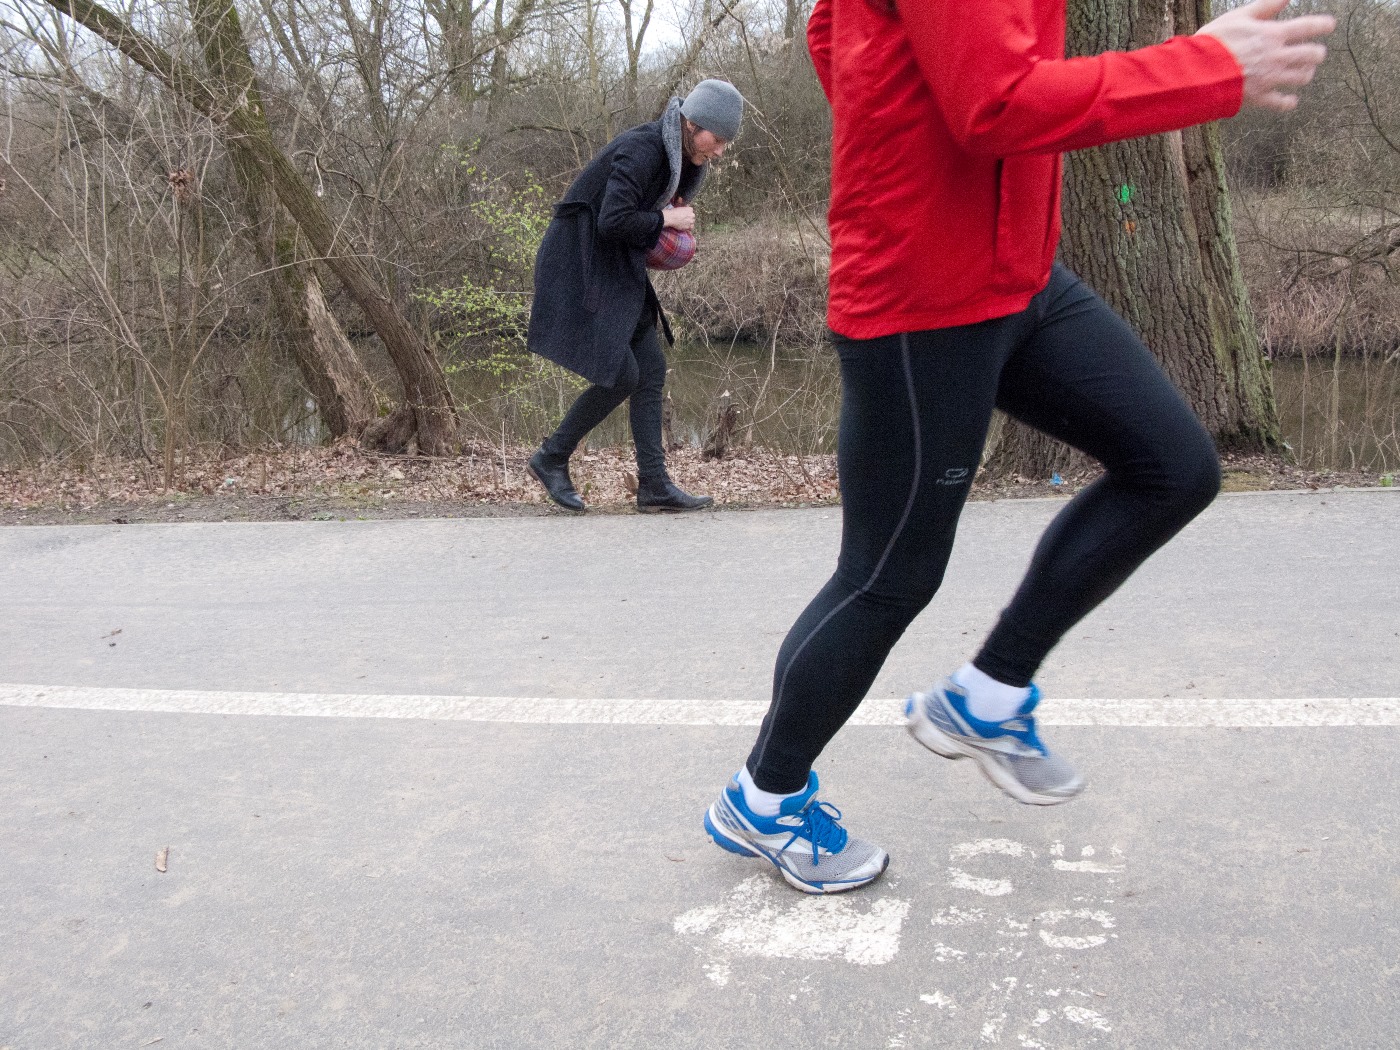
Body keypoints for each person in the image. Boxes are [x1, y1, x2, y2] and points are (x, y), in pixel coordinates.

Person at [704, 0, 1334, 894]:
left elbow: (831, 31)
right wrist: (1206, 67)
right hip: (921, 297)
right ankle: (762, 800)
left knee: (1174, 467)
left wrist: (903, 117)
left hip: (1018, 275)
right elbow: (996, 105)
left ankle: (988, 696)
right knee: (888, 575)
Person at [526, 80, 745, 513]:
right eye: (716, 139)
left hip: (614, 264)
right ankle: (550, 457)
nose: (719, 151)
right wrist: (667, 217)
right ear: (691, 122)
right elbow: (612, 219)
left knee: (650, 368)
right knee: (624, 374)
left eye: (724, 143)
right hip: (580, 263)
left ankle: (654, 485)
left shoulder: (681, 157)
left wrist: (668, 224)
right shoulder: (644, 148)